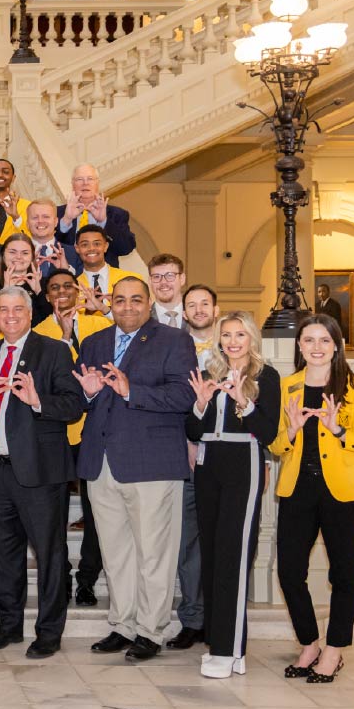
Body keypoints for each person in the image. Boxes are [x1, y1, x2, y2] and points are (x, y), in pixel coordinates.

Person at [73, 276, 195, 662]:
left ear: (149, 304)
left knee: (154, 553)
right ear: (110, 302)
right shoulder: (93, 342)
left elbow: (185, 396)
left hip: (152, 463)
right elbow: (79, 395)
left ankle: (150, 629)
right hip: (102, 462)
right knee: (116, 553)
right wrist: (89, 392)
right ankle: (123, 624)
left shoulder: (174, 340)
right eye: (120, 300)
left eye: (135, 300)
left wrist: (132, 391)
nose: (127, 307)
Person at [0, 286, 84, 659]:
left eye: (17, 309)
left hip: (40, 471)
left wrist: (38, 402)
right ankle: (9, 625)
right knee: (5, 553)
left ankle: (49, 631)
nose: (10, 316)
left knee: (50, 554)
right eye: (3, 310)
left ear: (29, 313)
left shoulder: (52, 351)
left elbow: (73, 405)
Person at [272, 314, 354, 683]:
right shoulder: (288, 386)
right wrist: (290, 431)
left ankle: (333, 651)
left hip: (343, 493)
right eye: (309, 340)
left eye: (324, 340)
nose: (316, 347)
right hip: (298, 489)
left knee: (343, 573)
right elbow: (276, 445)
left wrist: (339, 430)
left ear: (336, 345)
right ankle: (309, 643)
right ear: (300, 346)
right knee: (289, 571)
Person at [186, 311, 280, 679]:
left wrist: (244, 401)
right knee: (211, 555)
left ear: (251, 338)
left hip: (244, 461)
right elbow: (193, 429)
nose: (233, 341)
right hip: (208, 463)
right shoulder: (210, 373)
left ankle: (226, 650)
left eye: (240, 334)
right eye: (226, 334)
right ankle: (228, 647)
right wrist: (199, 403)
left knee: (234, 556)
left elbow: (268, 431)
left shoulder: (265, 376)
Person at [33, 269, 111, 607]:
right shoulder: (38, 333)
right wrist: (64, 340)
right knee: (55, 512)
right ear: (47, 296)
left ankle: (88, 579)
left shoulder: (100, 327)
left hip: (92, 432)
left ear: (79, 291)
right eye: (55, 288)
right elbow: (45, 385)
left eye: (68, 286)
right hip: (55, 434)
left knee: (96, 512)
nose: (62, 292)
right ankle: (60, 573)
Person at [146, 253, 204, 652]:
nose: (164, 282)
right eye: (157, 276)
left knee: (189, 540)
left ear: (182, 277)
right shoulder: (138, 322)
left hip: (195, 444)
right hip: (152, 443)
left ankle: (194, 616)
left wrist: (194, 438)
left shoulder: (207, 327)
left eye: (170, 276)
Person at [57, 164, 136, 267]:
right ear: (72, 184)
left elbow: (126, 248)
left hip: (104, 278)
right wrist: (66, 220)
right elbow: (48, 246)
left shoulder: (117, 214)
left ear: (97, 183)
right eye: (79, 179)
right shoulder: (57, 213)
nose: (85, 183)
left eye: (90, 179)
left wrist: (104, 222)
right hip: (67, 277)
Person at [73, 225, 127, 316]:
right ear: (77, 248)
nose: (91, 248)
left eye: (97, 244)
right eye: (85, 245)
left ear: (105, 246)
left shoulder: (129, 279)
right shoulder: (73, 287)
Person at [0, 159, 30, 244]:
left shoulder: (28, 206)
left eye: (6, 172)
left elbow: (33, 237)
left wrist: (16, 217)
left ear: (13, 178)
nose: (0, 175)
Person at [27, 199, 81, 276]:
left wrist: (66, 271)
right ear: (27, 224)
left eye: (46, 217)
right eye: (35, 217)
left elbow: (83, 285)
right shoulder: (16, 254)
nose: (40, 221)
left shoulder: (74, 253)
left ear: (56, 222)